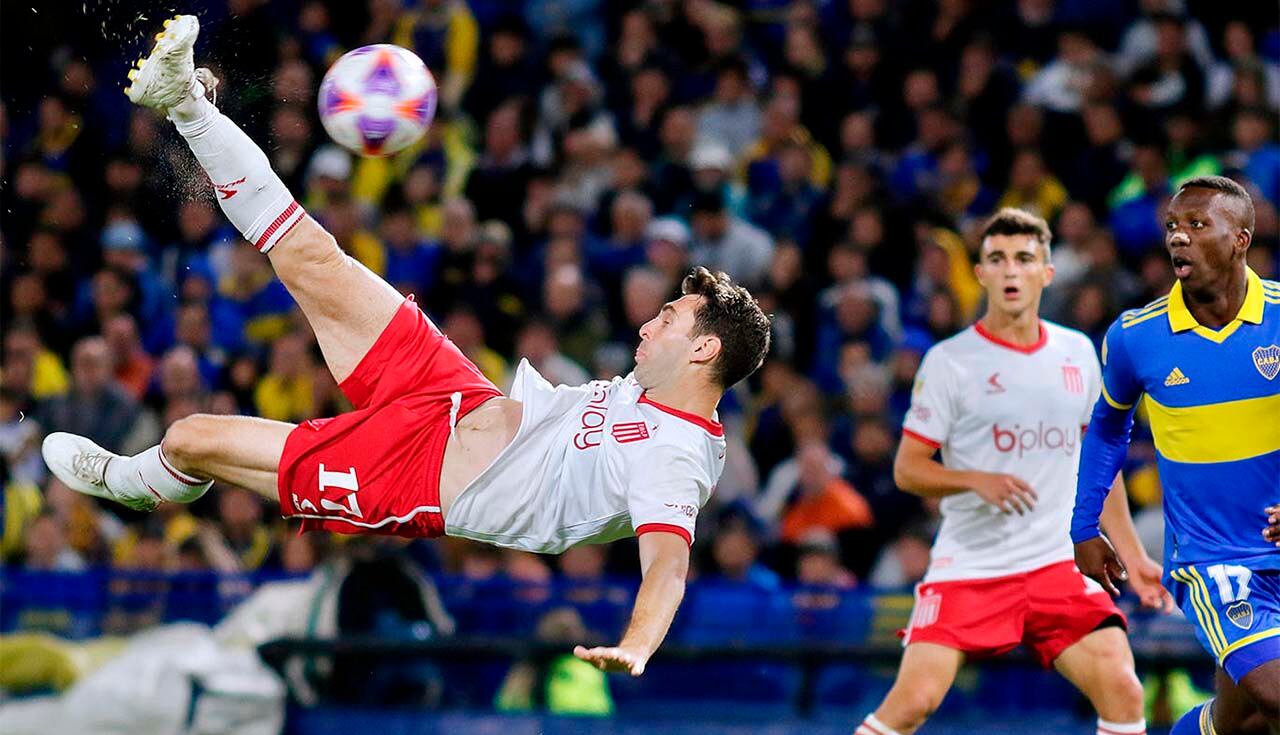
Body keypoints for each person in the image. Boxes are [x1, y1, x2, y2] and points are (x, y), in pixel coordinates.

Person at [40, 16, 771, 679]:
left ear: (705, 351)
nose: (649, 324)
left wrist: (639, 642)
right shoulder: (651, 386)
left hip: (415, 477)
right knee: (311, 255)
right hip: (454, 392)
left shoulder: (677, 457)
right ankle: (186, 104)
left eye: (670, 319)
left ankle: (133, 482)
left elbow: (668, 566)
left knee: (191, 436)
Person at [800, 209, 1166, 735]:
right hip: (971, 567)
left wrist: (1133, 555)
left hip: (1055, 563)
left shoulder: (1077, 353)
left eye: (1024, 259)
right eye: (997, 259)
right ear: (979, 274)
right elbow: (909, 469)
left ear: (1047, 272)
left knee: (1122, 685)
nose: (1011, 271)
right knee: (911, 701)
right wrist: (976, 479)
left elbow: (1099, 469)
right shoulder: (951, 362)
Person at [1072, 175, 1280, 735]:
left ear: (1241, 240)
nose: (1178, 238)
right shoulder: (1138, 336)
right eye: (1172, 225)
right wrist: (1085, 526)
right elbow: (1107, 428)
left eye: (1197, 225)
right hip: (1221, 563)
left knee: (1244, 720)